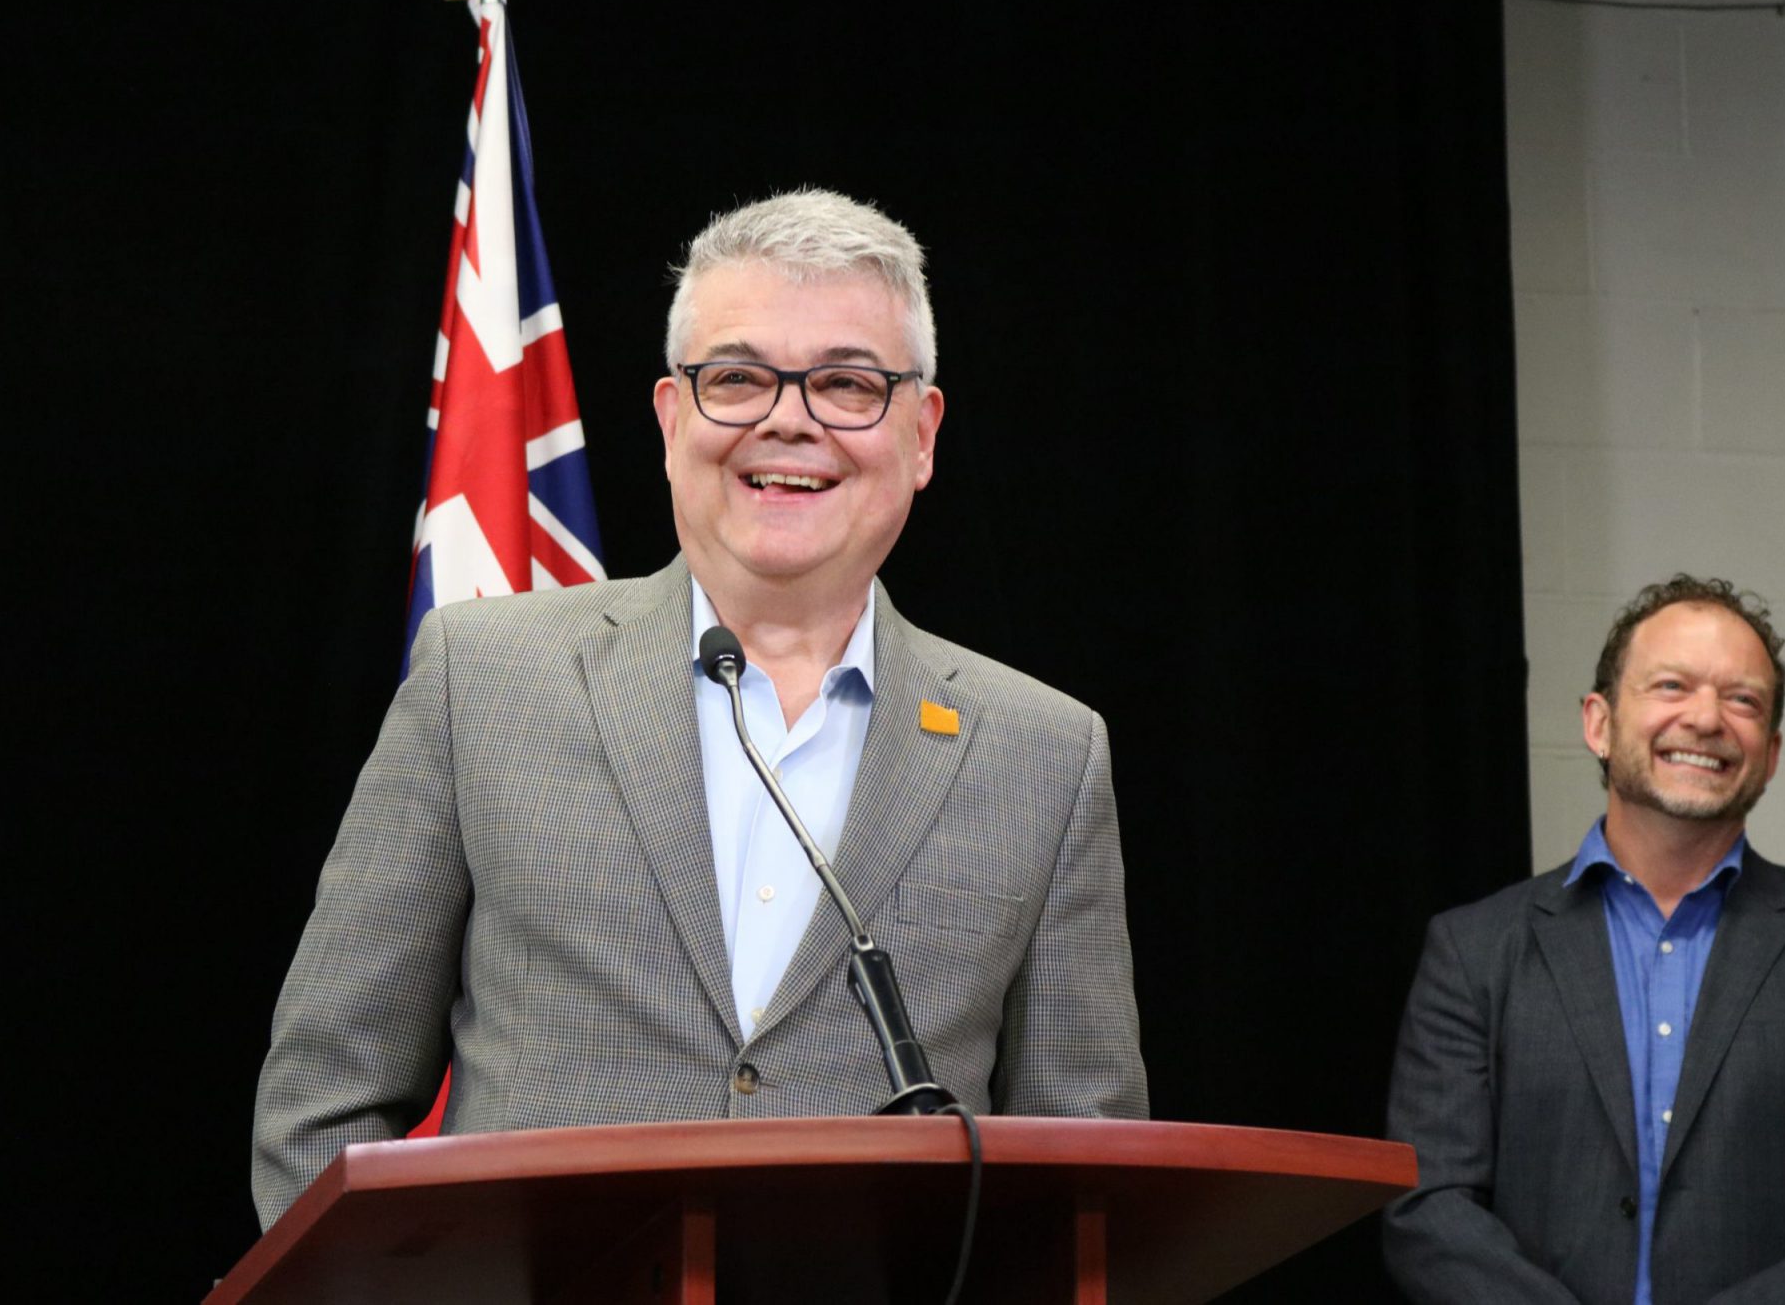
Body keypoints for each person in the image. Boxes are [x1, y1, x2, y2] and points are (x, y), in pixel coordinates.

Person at [251, 188, 1148, 1227]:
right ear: (672, 419)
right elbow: (323, 1103)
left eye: (848, 384)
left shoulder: (1041, 751)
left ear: (921, 435)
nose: (787, 418)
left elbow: (1086, 1172)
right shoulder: (479, 681)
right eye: (736, 377)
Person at [1383, 575, 1785, 1303]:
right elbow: (1429, 1208)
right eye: (1672, 685)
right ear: (1599, 723)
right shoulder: (1473, 952)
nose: (1707, 718)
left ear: (1771, 755)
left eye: (1743, 699)